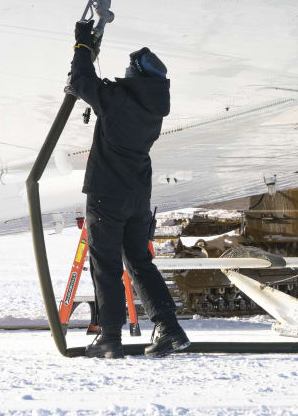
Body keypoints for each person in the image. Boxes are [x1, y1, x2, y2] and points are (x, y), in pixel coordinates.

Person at [68, 20, 191, 359]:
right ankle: (169, 328)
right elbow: (88, 87)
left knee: (106, 264)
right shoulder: (154, 108)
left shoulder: (118, 99)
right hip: (137, 197)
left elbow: (79, 81)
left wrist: (82, 45)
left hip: (107, 195)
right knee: (139, 261)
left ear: (135, 76)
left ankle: (109, 337)